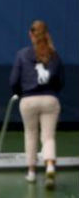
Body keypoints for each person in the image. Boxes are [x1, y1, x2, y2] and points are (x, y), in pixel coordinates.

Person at [10, 20, 65, 189]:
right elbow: (60, 81)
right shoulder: (54, 55)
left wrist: (20, 94)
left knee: (30, 134)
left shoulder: (22, 54)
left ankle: (32, 172)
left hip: (28, 101)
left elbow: (13, 81)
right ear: (46, 34)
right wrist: (51, 93)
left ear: (30, 35)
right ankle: (49, 166)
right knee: (48, 137)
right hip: (50, 100)